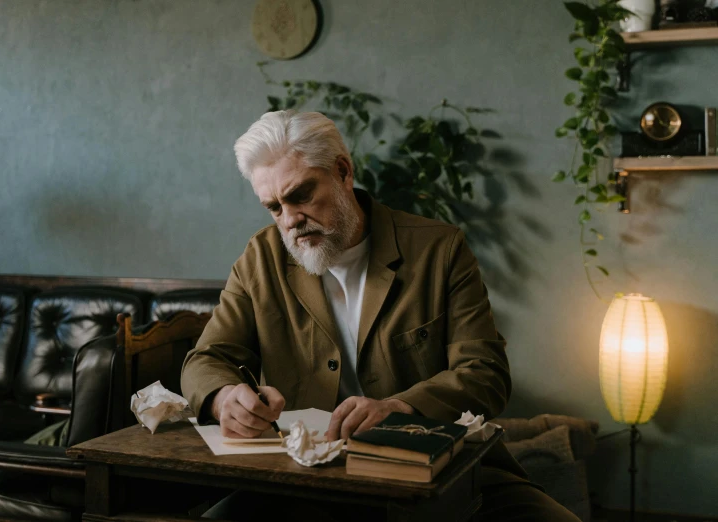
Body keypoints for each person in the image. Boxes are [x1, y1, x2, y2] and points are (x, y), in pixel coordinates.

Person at [181, 110, 578, 521]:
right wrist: (223, 397)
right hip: (304, 482)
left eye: (300, 195)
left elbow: (486, 374)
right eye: (274, 207)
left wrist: (400, 407)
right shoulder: (259, 259)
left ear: (342, 171)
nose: (290, 221)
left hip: (441, 473)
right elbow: (206, 360)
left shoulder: (440, 250)